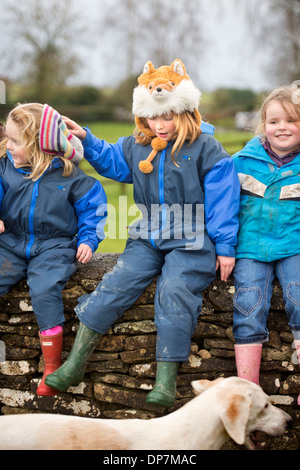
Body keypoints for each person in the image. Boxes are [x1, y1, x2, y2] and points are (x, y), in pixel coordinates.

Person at [46, 59, 240, 407]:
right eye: (152, 116)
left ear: (186, 111)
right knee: (116, 281)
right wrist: (86, 139)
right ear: (142, 115)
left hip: (192, 238)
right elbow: (113, 162)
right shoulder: (137, 144)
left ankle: (165, 381)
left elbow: (223, 199)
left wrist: (225, 246)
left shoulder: (207, 149)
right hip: (147, 234)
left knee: (174, 289)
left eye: (167, 116)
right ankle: (75, 364)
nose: (160, 124)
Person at [0, 103, 107, 396]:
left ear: (39, 145)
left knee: (45, 290)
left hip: (55, 246)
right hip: (10, 242)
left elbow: (94, 211)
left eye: (15, 141)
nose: (8, 146)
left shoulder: (72, 178)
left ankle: (52, 367)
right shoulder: (5, 168)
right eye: (8, 138)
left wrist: (88, 240)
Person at [232, 86, 300, 405]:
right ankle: (249, 394)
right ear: (263, 125)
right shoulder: (241, 162)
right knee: (249, 304)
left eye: (291, 120)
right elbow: (220, 205)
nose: (282, 127)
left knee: (299, 297)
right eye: (274, 121)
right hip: (250, 248)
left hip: (294, 246)